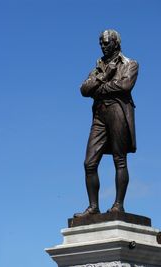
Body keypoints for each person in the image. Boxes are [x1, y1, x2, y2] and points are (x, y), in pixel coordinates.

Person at [74, 29, 139, 217]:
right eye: (101, 43)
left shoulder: (130, 64)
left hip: (118, 111)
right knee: (89, 163)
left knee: (120, 159)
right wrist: (103, 77)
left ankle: (118, 205)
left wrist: (100, 88)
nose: (103, 46)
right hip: (99, 115)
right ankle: (93, 207)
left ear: (116, 43)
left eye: (106, 42)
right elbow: (84, 89)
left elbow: (125, 85)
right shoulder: (98, 68)